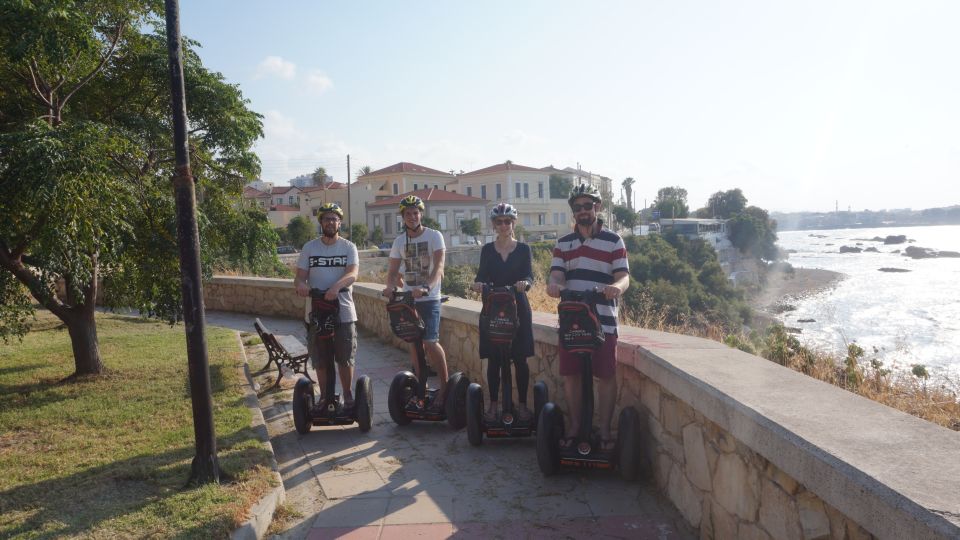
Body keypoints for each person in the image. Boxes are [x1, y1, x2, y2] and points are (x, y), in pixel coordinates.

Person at [546, 184, 630, 450]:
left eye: (587, 205)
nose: (582, 211)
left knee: (605, 375)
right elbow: (557, 274)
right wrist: (554, 285)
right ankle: (574, 427)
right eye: (577, 207)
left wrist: (617, 287)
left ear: (598, 207)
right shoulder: (563, 243)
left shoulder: (613, 240)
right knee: (571, 375)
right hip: (572, 319)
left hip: (603, 319)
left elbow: (623, 275)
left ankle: (604, 430)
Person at [383, 195, 450, 408]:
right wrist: (391, 287)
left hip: (429, 299)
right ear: (402, 217)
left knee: (430, 342)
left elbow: (439, 267)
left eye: (416, 212)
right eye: (408, 214)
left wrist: (427, 287)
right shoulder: (399, 241)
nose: (412, 216)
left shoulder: (434, 236)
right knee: (414, 344)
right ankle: (421, 389)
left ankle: (445, 388)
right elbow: (393, 272)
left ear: (421, 214)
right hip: (409, 300)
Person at [470, 203, 534, 422]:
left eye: (508, 221)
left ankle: (523, 405)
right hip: (493, 307)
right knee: (494, 359)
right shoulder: (488, 250)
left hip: (518, 308)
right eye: (499, 222)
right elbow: (481, 275)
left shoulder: (524, 249)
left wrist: (525, 283)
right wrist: (478, 284)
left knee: (520, 358)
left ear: (513, 223)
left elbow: (529, 276)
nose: (504, 225)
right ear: (494, 225)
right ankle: (494, 405)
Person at [295, 203, 359, 406]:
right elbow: (299, 278)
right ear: (321, 222)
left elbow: (352, 273)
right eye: (327, 219)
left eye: (334, 219)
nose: (331, 222)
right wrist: (302, 286)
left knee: (344, 356)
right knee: (320, 359)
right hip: (316, 312)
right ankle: (324, 397)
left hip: (343, 311)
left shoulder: (349, 247)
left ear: (339, 222)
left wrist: (335, 288)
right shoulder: (309, 248)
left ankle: (348, 395)